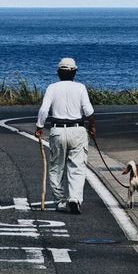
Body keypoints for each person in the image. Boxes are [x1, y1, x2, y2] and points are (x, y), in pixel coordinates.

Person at [35, 57, 96, 215]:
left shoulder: (52, 88)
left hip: (57, 130)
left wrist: (39, 127)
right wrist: (93, 126)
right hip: (77, 129)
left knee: (56, 168)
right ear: (75, 72)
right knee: (77, 167)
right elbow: (88, 111)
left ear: (58, 73)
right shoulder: (81, 87)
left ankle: (61, 201)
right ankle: (74, 199)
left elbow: (43, 110)